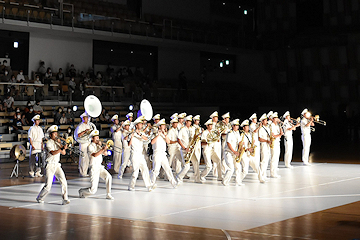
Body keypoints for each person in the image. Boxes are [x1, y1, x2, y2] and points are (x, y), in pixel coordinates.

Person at [36, 125, 70, 205]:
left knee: (64, 181)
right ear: (50, 135)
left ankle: (65, 198)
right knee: (48, 185)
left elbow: (63, 153)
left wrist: (64, 147)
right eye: (54, 133)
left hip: (57, 165)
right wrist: (61, 148)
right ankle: (40, 197)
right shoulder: (48, 143)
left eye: (56, 133)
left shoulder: (58, 143)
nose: (56, 135)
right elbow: (52, 153)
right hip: (50, 165)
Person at [79, 130, 114, 200]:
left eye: (98, 136)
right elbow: (95, 155)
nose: (98, 138)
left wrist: (104, 148)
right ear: (92, 138)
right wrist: (102, 149)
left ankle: (108, 194)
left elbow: (106, 154)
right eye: (96, 137)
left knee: (108, 177)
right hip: (94, 168)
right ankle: (82, 191)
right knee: (93, 190)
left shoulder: (99, 146)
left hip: (100, 167)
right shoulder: (90, 146)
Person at [127, 116, 156, 191]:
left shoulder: (142, 133)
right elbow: (129, 144)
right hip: (134, 154)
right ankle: (131, 186)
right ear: (136, 125)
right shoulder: (131, 133)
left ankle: (149, 185)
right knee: (135, 172)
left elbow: (146, 139)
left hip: (140, 154)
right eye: (140, 124)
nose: (142, 125)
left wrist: (139, 134)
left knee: (145, 169)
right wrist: (132, 136)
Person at [150, 119, 178, 188]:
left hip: (163, 153)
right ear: (159, 126)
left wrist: (165, 135)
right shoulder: (154, 133)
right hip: (157, 153)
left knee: (168, 168)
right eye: (163, 125)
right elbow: (152, 142)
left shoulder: (164, 134)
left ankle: (173, 183)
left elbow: (168, 142)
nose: (164, 126)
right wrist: (158, 135)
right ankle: (151, 183)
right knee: (156, 170)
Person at [176, 115, 201, 184]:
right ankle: (179, 177)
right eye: (188, 121)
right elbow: (178, 139)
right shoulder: (182, 129)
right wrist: (184, 147)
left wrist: (198, 136)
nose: (190, 123)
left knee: (196, 162)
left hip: (191, 149)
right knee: (187, 166)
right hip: (184, 150)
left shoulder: (192, 129)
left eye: (190, 121)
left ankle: (197, 179)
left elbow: (194, 137)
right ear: (185, 122)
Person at [239, 120, 265, 184]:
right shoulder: (242, 135)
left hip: (250, 154)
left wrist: (253, 144)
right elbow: (242, 145)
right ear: (243, 128)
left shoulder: (249, 134)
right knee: (245, 171)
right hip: (244, 154)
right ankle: (238, 180)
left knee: (257, 166)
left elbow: (250, 142)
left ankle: (261, 179)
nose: (248, 128)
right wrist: (248, 148)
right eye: (246, 127)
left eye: (248, 126)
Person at [74, 112, 97, 177]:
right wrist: (84, 131)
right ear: (83, 118)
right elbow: (78, 135)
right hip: (83, 143)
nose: (87, 119)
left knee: (89, 157)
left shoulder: (89, 125)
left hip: (88, 142)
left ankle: (88, 171)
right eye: (86, 118)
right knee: (83, 157)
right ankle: (83, 172)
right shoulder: (80, 126)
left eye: (87, 118)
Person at [222, 119, 242, 186]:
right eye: (236, 125)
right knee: (231, 168)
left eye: (238, 125)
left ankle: (238, 181)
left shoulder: (237, 133)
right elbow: (228, 143)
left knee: (238, 167)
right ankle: (225, 181)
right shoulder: (230, 133)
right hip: (228, 152)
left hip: (234, 153)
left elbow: (239, 142)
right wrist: (234, 151)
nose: (237, 127)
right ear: (233, 126)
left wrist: (241, 148)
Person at [269, 112, 283, 178]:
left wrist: (280, 125)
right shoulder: (271, 125)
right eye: (276, 118)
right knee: (273, 158)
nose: (277, 119)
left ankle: (275, 172)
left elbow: (281, 133)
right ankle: (272, 173)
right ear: (273, 119)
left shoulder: (277, 125)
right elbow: (273, 135)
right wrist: (279, 135)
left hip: (277, 141)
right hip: (273, 142)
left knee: (277, 157)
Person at [210, 111, 223, 180]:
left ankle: (218, 172)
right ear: (213, 118)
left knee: (219, 157)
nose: (217, 118)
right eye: (216, 117)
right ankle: (215, 172)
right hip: (214, 142)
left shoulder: (218, 124)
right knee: (215, 157)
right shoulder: (211, 124)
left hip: (218, 142)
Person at [258, 113, 271, 180]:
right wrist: (267, 141)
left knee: (266, 160)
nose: (267, 121)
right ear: (262, 121)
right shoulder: (261, 129)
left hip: (267, 145)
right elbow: (259, 138)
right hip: (263, 145)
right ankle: (261, 175)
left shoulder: (267, 128)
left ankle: (264, 174)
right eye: (265, 120)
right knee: (263, 161)